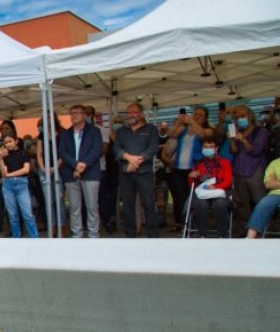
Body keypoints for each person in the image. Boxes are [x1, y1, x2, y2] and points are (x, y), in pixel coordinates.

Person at [114, 102, 161, 238]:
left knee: (148, 204)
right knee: (128, 205)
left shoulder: (151, 129)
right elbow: (116, 149)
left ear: (141, 114)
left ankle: (153, 234)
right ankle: (130, 234)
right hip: (126, 172)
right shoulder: (122, 131)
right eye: (129, 112)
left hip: (144, 172)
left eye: (134, 112)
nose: (131, 115)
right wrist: (129, 158)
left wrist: (136, 161)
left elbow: (152, 148)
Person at [58, 104, 103, 238]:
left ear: (84, 115)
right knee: (74, 207)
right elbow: (63, 152)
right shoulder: (66, 134)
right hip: (71, 173)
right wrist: (76, 165)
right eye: (72, 113)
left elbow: (96, 150)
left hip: (90, 173)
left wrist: (83, 165)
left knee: (92, 206)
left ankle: (93, 235)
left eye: (77, 112)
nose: (74, 115)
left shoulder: (94, 131)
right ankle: (76, 235)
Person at [165, 106, 209, 232]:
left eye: (200, 115)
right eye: (195, 114)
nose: (197, 116)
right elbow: (171, 134)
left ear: (205, 118)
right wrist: (179, 121)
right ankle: (183, 223)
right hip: (179, 167)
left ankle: (195, 223)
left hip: (194, 167)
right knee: (180, 196)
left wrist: (193, 122)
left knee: (194, 196)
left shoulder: (205, 129)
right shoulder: (183, 129)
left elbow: (202, 135)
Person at [229, 105, 268, 236]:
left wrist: (243, 140)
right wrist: (232, 140)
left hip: (255, 170)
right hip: (239, 171)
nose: (240, 119)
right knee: (241, 203)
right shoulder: (237, 131)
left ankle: (264, 230)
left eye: (242, 116)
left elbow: (256, 151)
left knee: (260, 202)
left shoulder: (260, 131)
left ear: (250, 116)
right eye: (237, 117)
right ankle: (245, 230)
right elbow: (233, 151)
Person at [187, 138, 232, 238]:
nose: (208, 149)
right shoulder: (198, 163)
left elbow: (228, 181)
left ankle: (222, 234)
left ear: (216, 148)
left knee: (220, 204)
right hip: (203, 193)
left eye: (211, 147)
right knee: (201, 205)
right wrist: (191, 177)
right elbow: (192, 185)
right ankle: (202, 233)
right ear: (202, 148)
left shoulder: (225, 162)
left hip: (220, 192)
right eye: (205, 147)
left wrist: (215, 187)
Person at [0, 128, 39, 239]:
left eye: (10, 141)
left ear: (16, 141)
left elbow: (26, 169)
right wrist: (0, 158)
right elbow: (3, 172)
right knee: (12, 215)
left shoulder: (23, 152)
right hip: (8, 186)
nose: (8, 144)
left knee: (27, 214)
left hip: (21, 184)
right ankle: (16, 239)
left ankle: (35, 239)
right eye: (5, 142)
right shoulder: (4, 155)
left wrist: (10, 175)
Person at [245, 157, 280, 238]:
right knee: (263, 204)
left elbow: (273, 183)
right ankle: (250, 237)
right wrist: (273, 183)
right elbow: (268, 184)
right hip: (276, 194)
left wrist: (276, 182)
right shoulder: (274, 163)